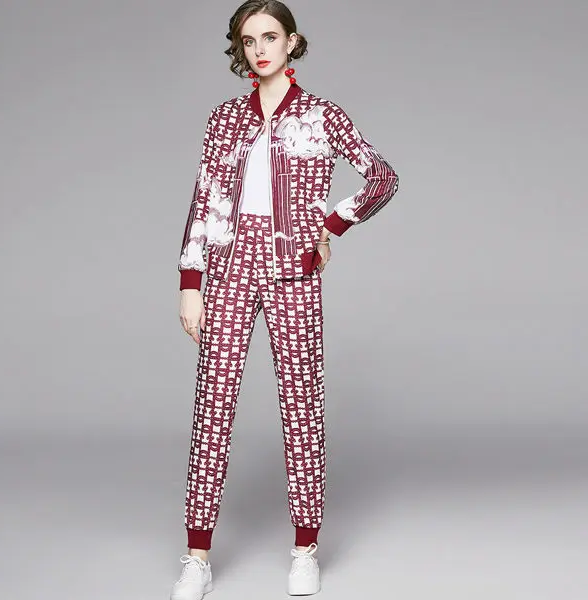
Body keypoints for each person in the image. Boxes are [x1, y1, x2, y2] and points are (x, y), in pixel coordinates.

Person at [171, 1, 399, 598]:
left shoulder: (322, 115)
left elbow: (382, 176)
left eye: (270, 37)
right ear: (240, 49)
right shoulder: (224, 119)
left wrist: (332, 224)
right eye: (249, 41)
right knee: (212, 407)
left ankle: (305, 548)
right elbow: (204, 201)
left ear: (292, 42)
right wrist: (191, 283)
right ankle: (197, 557)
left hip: (294, 271)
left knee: (302, 406)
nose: (260, 50)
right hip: (229, 268)